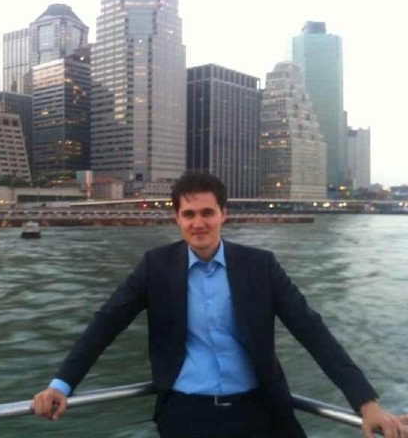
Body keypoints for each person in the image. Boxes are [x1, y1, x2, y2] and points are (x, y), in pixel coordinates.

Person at [32, 171, 406, 437]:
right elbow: (106, 323)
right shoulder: (155, 267)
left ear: (223, 214)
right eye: (189, 214)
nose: (199, 223)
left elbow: (312, 331)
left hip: (257, 409)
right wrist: (61, 385)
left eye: (207, 213)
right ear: (177, 218)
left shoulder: (260, 266)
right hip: (185, 413)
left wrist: (366, 402)